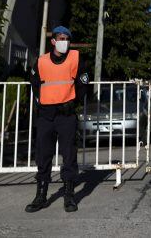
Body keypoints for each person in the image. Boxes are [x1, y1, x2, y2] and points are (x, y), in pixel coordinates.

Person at [25, 26, 89, 213]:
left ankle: (69, 196)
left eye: (67, 38)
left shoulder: (76, 58)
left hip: (66, 114)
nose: (65, 42)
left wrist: (73, 102)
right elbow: (35, 84)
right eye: (61, 38)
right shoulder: (42, 61)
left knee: (69, 155)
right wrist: (42, 102)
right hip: (46, 114)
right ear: (53, 41)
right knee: (43, 155)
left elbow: (84, 84)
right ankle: (41, 196)